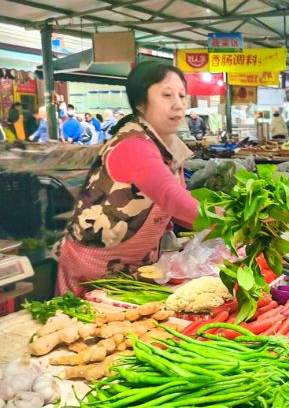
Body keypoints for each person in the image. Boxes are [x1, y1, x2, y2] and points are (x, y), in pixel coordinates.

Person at [56, 61, 200, 295]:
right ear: (140, 103)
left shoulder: (167, 147)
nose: (178, 105)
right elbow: (172, 198)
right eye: (166, 95)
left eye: (182, 96)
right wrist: (232, 221)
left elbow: (179, 205)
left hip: (136, 266)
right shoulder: (133, 145)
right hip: (95, 265)